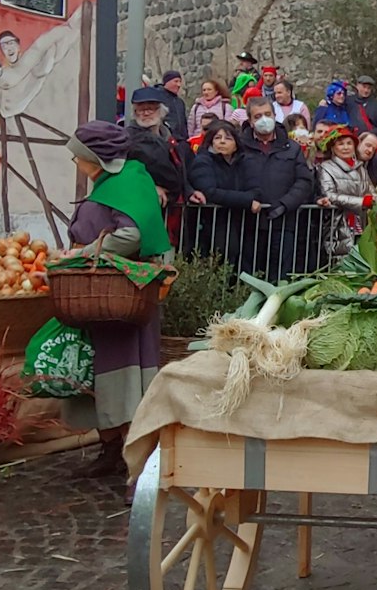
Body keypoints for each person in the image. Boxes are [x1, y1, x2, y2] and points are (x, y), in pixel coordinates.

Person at [65, 120, 172, 477]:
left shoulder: (129, 182)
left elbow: (131, 235)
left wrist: (84, 253)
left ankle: (138, 468)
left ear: (96, 157)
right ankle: (110, 449)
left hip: (123, 296)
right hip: (97, 295)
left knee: (126, 382)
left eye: (79, 157)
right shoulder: (109, 183)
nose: (77, 163)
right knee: (101, 378)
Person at [237, 97, 314, 279]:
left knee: (280, 276)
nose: (264, 119)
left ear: (274, 114)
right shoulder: (240, 146)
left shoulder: (291, 147)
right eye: (258, 116)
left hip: (283, 222)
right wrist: (245, 200)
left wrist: (285, 204)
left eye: (267, 114)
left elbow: (304, 180)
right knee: (250, 275)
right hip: (249, 222)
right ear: (250, 121)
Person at [185, 121, 249, 263]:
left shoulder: (241, 163)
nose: (222, 142)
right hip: (209, 224)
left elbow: (254, 188)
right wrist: (247, 201)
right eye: (217, 138)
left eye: (228, 138)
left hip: (235, 223)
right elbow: (209, 191)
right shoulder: (202, 161)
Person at [315, 125, 375, 258]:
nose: (346, 147)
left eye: (349, 143)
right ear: (333, 148)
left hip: (361, 221)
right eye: (341, 144)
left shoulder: (361, 168)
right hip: (338, 222)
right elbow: (329, 194)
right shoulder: (326, 168)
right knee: (341, 259)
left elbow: (370, 189)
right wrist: (361, 202)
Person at [157, 71, 192, 142]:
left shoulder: (180, 102)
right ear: (167, 82)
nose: (179, 85)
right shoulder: (157, 98)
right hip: (165, 141)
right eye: (175, 81)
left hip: (180, 141)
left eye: (180, 81)